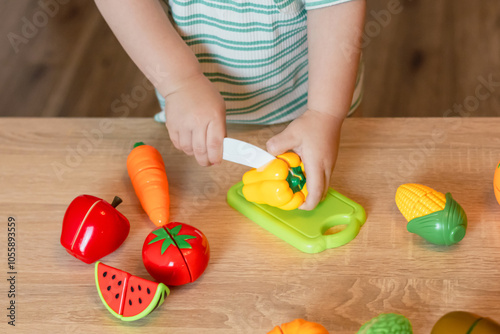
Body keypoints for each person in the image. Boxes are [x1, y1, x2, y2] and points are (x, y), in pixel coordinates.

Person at [94, 0, 365, 210]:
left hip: (314, 108)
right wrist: (180, 81)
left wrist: (325, 114)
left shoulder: (323, 112)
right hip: (193, 116)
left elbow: (336, 7)